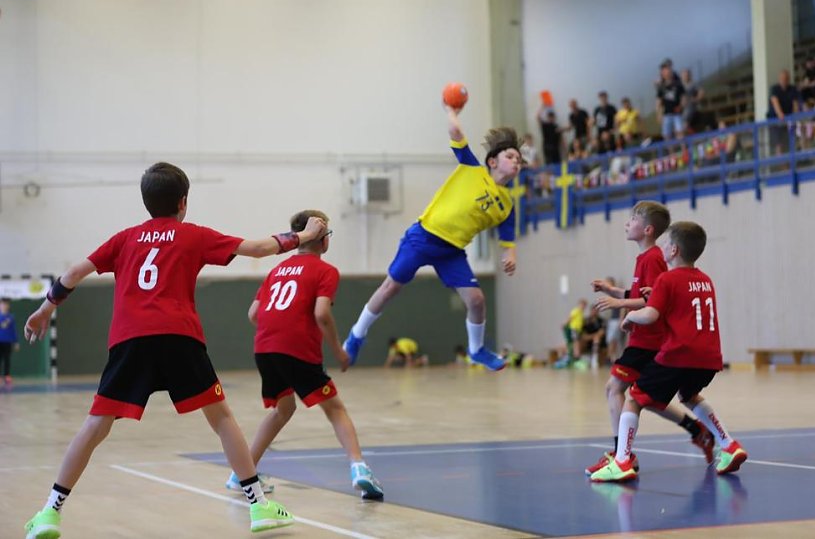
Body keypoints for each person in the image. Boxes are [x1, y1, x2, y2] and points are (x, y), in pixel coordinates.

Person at [21, 162, 326, 538]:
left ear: (146, 202)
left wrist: (45, 308)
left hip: (130, 340)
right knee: (222, 419)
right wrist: (302, 235)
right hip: (180, 337)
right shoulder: (193, 235)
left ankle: (50, 513)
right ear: (183, 203)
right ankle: (258, 505)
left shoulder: (124, 239)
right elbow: (259, 249)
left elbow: (73, 274)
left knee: (95, 426)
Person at [342, 103, 522, 372]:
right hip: (424, 237)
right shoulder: (472, 168)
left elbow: (507, 239)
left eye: (519, 160)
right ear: (493, 161)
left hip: (452, 251)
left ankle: (476, 350)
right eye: (511, 156)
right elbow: (456, 133)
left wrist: (510, 256)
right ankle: (356, 335)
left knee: (476, 301)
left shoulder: (507, 204)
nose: (516, 162)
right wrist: (452, 111)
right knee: (390, 287)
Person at [224, 209, 384, 501]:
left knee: (283, 409)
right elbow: (322, 313)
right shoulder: (325, 271)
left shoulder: (276, 271)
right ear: (323, 239)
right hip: (295, 349)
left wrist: (278, 327)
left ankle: (241, 474)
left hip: (264, 349)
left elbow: (253, 314)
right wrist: (339, 351)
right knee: (335, 408)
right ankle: (359, 468)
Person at [590, 222, 747, 482]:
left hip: (678, 354)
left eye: (666, 243)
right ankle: (729, 444)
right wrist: (656, 295)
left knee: (634, 398)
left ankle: (622, 461)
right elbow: (681, 303)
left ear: (673, 250)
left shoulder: (667, 278)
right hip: (708, 358)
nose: (662, 247)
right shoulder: (705, 280)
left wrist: (631, 318)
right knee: (689, 396)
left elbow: (651, 314)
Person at [767, 69, 800, 156]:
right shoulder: (774, 89)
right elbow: (775, 103)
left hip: (789, 120)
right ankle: (783, 167)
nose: (784, 81)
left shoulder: (792, 89)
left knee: (791, 143)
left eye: (786, 79)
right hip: (776, 121)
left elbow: (795, 105)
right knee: (779, 145)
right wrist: (780, 115)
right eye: (782, 79)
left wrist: (794, 117)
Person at [0, 297, 19, 385]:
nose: (4, 306)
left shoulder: (11, 317)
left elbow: (13, 330)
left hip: (7, 342)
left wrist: (16, 342)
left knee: (7, 359)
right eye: (2, 304)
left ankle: (7, 375)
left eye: (6, 304)